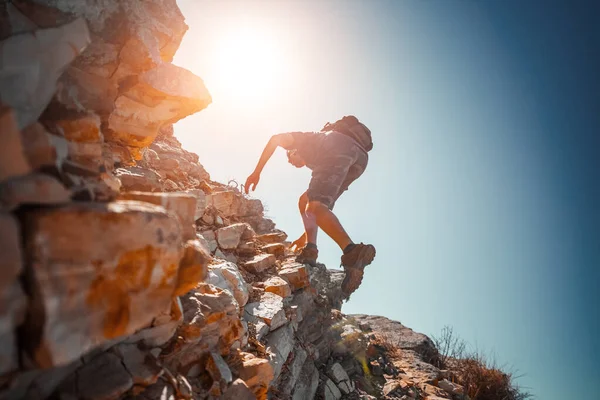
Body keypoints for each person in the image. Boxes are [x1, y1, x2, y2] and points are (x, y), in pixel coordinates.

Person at [244, 116, 376, 297]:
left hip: (337, 146)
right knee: (307, 202)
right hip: (360, 159)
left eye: (290, 157)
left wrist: (256, 172)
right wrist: (305, 237)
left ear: (293, 150)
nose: (290, 162)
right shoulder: (322, 156)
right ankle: (310, 248)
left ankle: (352, 251)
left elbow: (275, 139)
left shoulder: (304, 139)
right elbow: (323, 211)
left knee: (313, 207)